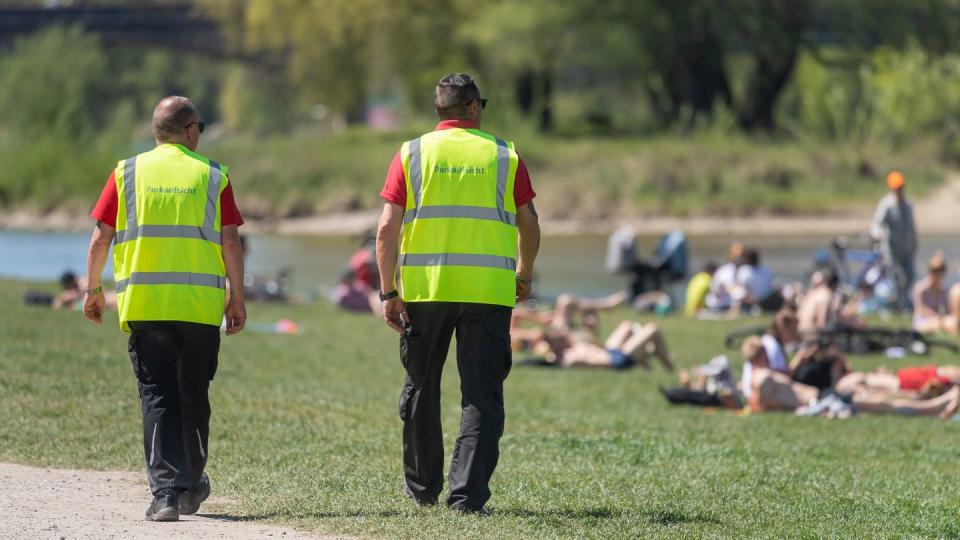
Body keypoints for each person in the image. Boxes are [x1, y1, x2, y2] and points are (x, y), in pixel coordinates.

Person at [375, 73, 540, 514]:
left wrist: (389, 289)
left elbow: (387, 229)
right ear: (471, 108)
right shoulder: (505, 154)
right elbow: (529, 223)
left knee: (422, 387)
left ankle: (424, 490)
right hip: (487, 292)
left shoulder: (411, 153)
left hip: (426, 291)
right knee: (481, 395)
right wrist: (524, 273)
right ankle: (466, 497)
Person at [83, 96, 247, 522]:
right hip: (198, 307)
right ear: (190, 130)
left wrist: (93, 290)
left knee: (158, 396)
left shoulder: (127, 172)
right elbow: (231, 240)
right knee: (194, 395)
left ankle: (165, 496)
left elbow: (101, 238)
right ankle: (191, 486)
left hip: (147, 305)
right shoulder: (213, 175)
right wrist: (238, 297)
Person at [741, 337, 959, 418]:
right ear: (760, 355)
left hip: (823, 398)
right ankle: (934, 406)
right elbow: (773, 403)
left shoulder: (754, 381)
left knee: (879, 399)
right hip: (821, 401)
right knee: (881, 403)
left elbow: (767, 404)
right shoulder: (764, 377)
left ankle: (930, 401)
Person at [871, 170, 917, 312]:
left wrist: (915, 245)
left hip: (907, 250)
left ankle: (902, 304)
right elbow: (876, 224)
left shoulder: (908, 205)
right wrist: (877, 234)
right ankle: (896, 307)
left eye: (900, 187)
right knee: (898, 279)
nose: (899, 190)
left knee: (909, 277)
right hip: (892, 252)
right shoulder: (886, 204)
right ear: (891, 188)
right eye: (896, 188)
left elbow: (912, 227)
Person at [912, 251, 951, 334]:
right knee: (940, 323)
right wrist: (936, 316)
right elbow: (920, 309)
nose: (937, 273)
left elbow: (947, 309)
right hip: (923, 319)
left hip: (938, 319)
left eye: (941, 270)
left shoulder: (943, 290)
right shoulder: (921, 288)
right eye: (934, 270)